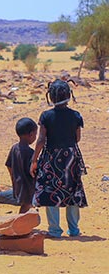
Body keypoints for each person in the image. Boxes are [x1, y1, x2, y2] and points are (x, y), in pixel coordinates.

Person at [31, 79, 86, 238]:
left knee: (50, 190)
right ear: (69, 95)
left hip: (51, 157)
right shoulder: (76, 115)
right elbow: (77, 138)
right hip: (70, 157)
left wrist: (34, 160)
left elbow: (41, 140)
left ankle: (54, 230)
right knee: (73, 191)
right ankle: (74, 230)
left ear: (51, 97)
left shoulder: (46, 116)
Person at [5, 117, 37, 214]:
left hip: (18, 183)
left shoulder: (14, 148)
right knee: (26, 205)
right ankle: (19, 223)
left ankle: (24, 222)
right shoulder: (30, 153)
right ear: (31, 134)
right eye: (35, 134)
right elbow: (34, 170)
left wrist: (13, 177)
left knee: (27, 204)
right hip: (27, 185)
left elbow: (8, 165)